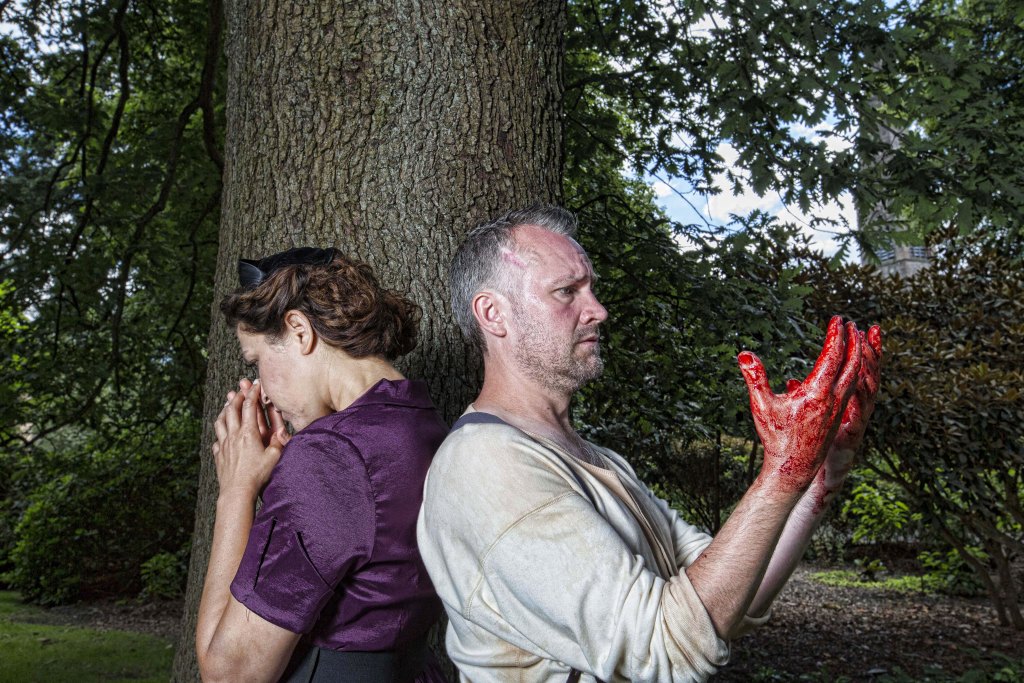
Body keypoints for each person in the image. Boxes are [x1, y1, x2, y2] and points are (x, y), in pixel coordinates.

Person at [417, 205, 882, 682]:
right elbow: (666, 646)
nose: (598, 310)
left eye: (591, 288)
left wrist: (821, 473)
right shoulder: (486, 464)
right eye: (566, 291)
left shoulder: (595, 459)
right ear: (493, 314)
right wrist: (782, 472)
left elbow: (728, 600)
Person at [196, 247, 449, 683]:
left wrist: (236, 490)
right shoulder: (423, 421)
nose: (263, 392)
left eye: (257, 362)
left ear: (299, 331)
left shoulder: (329, 457)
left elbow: (230, 673)